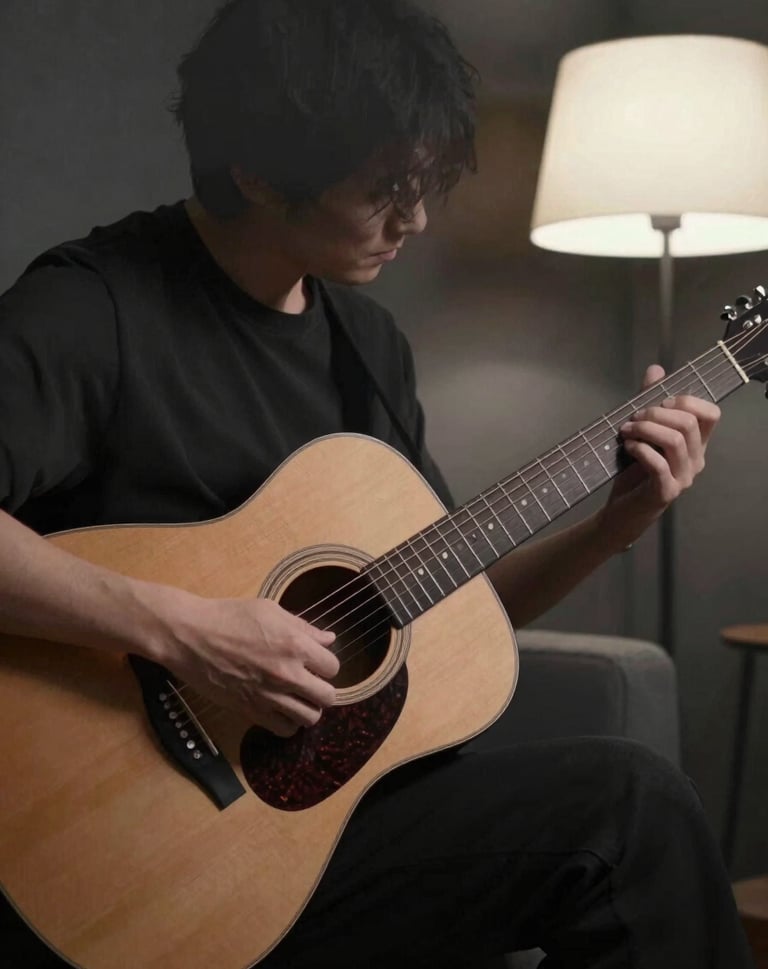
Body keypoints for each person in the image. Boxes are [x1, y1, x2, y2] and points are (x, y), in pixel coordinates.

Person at [0, 1, 753, 967]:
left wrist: (619, 521)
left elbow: (449, 613)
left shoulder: (367, 347)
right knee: (631, 808)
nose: (419, 219)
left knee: (631, 805)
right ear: (261, 176)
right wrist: (182, 631)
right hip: (130, 857)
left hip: (319, 833)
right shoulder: (89, 310)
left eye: (425, 183)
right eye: (387, 189)